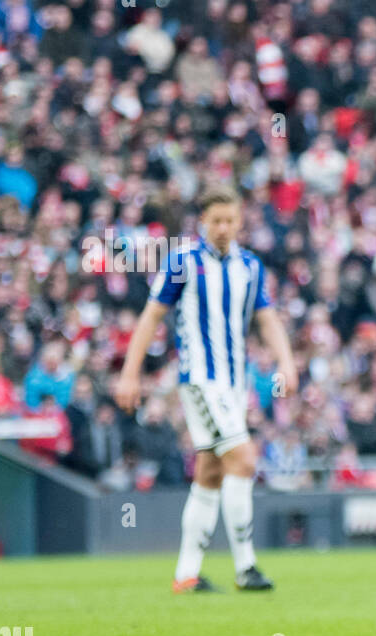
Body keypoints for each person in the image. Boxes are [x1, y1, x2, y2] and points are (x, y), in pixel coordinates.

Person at [115, 186, 298, 593]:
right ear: (202, 222)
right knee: (245, 458)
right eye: (216, 220)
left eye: (230, 220)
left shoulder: (250, 266)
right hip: (200, 378)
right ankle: (246, 567)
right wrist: (130, 372)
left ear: (239, 221)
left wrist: (286, 362)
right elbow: (151, 317)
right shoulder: (183, 261)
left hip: (234, 382)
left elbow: (266, 319)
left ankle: (186, 574)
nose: (223, 228)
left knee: (211, 472)